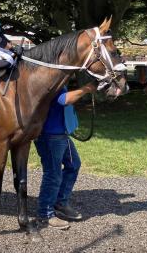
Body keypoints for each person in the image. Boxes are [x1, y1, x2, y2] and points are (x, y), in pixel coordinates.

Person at [35, 82, 96, 229]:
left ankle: (60, 202)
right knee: (53, 174)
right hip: (49, 135)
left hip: (62, 133)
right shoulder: (50, 81)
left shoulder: (60, 79)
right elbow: (64, 99)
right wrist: (86, 88)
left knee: (73, 165)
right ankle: (45, 213)